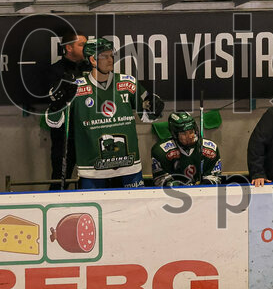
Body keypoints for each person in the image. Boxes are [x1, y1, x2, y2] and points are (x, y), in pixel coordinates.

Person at [45, 37, 163, 189]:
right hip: (92, 170)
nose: (110, 60)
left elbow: (147, 117)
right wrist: (57, 105)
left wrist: (155, 107)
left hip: (129, 167)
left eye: (111, 56)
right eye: (105, 56)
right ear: (93, 60)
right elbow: (54, 122)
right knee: (94, 212)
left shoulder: (128, 83)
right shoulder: (75, 87)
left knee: (133, 211)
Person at [42, 30, 88, 190]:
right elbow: (51, 101)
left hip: (89, 133)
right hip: (64, 136)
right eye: (81, 45)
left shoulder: (91, 68)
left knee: (90, 180)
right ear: (69, 48)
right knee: (60, 180)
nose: (86, 48)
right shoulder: (55, 70)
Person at [151, 111, 223, 186]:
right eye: (184, 133)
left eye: (191, 131)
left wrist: (202, 187)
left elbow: (215, 178)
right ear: (174, 134)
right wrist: (180, 186)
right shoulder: (161, 151)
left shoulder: (211, 149)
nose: (190, 136)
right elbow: (160, 180)